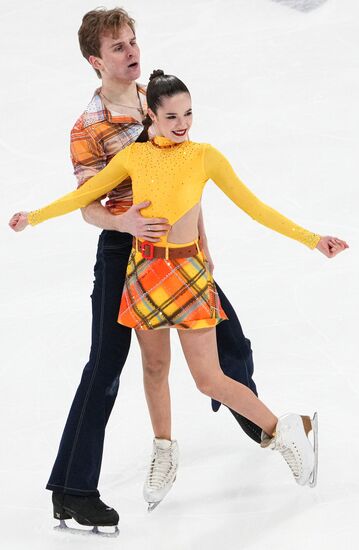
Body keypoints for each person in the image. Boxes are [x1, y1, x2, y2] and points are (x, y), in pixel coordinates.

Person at [9, 68, 349, 515]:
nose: (183, 123)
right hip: (144, 273)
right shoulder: (134, 158)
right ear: (151, 115)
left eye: (188, 113)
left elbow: (256, 207)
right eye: (172, 115)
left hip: (187, 274)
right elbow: (86, 194)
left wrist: (312, 239)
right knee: (153, 369)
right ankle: (165, 451)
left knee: (209, 378)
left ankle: (283, 431)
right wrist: (33, 216)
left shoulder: (204, 156)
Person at [7, 7, 268, 531]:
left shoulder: (159, 101)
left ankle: (256, 418)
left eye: (133, 41)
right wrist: (122, 222)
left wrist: (202, 241)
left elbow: (188, 173)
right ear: (94, 60)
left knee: (230, 337)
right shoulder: (89, 126)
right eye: (118, 48)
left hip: (180, 250)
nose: (132, 53)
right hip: (124, 253)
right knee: (105, 366)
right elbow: (87, 204)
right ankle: (75, 488)